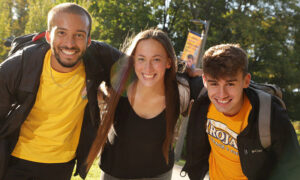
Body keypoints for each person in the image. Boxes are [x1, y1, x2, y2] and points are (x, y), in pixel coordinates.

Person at [0, 3, 121, 180]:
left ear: (88, 40)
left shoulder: (97, 60)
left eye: (79, 35)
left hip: (61, 166)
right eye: (61, 32)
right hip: (16, 161)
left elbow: (139, 69)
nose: (70, 43)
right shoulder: (22, 63)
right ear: (48, 36)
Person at [182, 44, 300, 180]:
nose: (222, 94)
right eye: (214, 83)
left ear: (246, 81)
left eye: (230, 84)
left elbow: (293, 168)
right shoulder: (203, 101)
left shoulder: (271, 115)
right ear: (205, 81)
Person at [85, 28, 190, 180]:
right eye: (141, 59)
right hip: (113, 173)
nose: (148, 68)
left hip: (158, 174)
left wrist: (198, 71)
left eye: (156, 59)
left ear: (168, 61)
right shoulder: (118, 84)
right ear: (133, 60)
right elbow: (87, 47)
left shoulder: (181, 91)